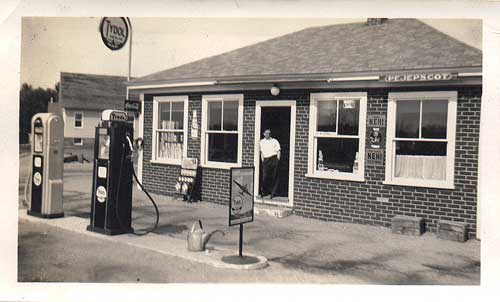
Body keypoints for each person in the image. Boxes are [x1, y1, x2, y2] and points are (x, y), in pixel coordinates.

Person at [260, 129, 280, 198]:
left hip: (273, 159)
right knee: (265, 177)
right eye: (266, 133)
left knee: (274, 177)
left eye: (269, 133)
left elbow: (278, 151)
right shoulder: (261, 142)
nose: (268, 134)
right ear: (264, 134)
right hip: (266, 160)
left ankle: (273, 193)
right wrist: (262, 160)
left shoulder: (274, 141)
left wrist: (277, 160)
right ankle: (264, 192)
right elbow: (261, 152)